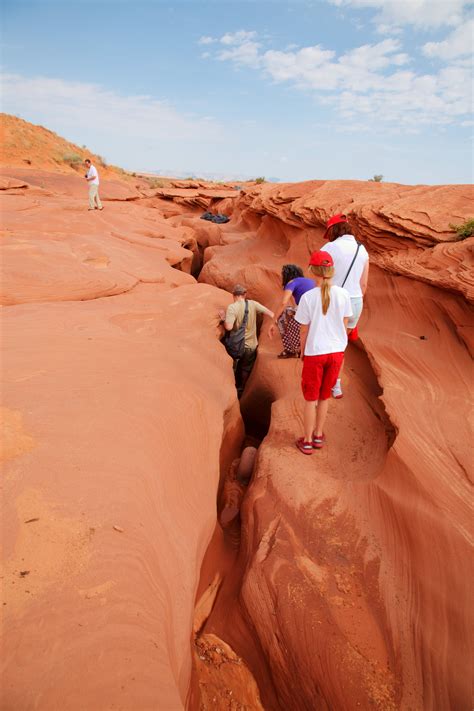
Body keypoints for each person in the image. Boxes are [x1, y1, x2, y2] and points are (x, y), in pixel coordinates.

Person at [294, 251, 352, 455]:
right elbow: (345, 324)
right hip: (336, 352)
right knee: (324, 396)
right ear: (332, 270)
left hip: (316, 352)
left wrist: (302, 352)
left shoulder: (308, 298)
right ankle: (318, 434)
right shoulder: (344, 294)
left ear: (312, 270)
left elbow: (303, 329)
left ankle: (307, 440)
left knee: (311, 398)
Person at [321, 214, 369, 398]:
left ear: (334, 229)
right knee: (341, 344)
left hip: (334, 300)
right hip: (355, 301)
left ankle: (330, 381)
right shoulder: (362, 250)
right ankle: (336, 385)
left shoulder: (330, 248)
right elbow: (364, 284)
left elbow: (321, 276)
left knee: (327, 342)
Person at [220, 284, 274, 395]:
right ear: (244, 295)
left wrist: (223, 318)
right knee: (246, 367)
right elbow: (269, 313)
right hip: (251, 345)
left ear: (233, 295)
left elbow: (229, 327)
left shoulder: (232, 308)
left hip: (236, 345)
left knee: (232, 364)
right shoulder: (253, 304)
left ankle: (231, 386)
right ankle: (242, 387)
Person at [268, 264, 314, 358]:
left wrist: (273, 322)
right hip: (318, 311)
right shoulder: (309, 281)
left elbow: (283, 302)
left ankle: (292, 349)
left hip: (308, 311)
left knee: (283, 316)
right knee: (292, 314)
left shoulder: (292, 282)